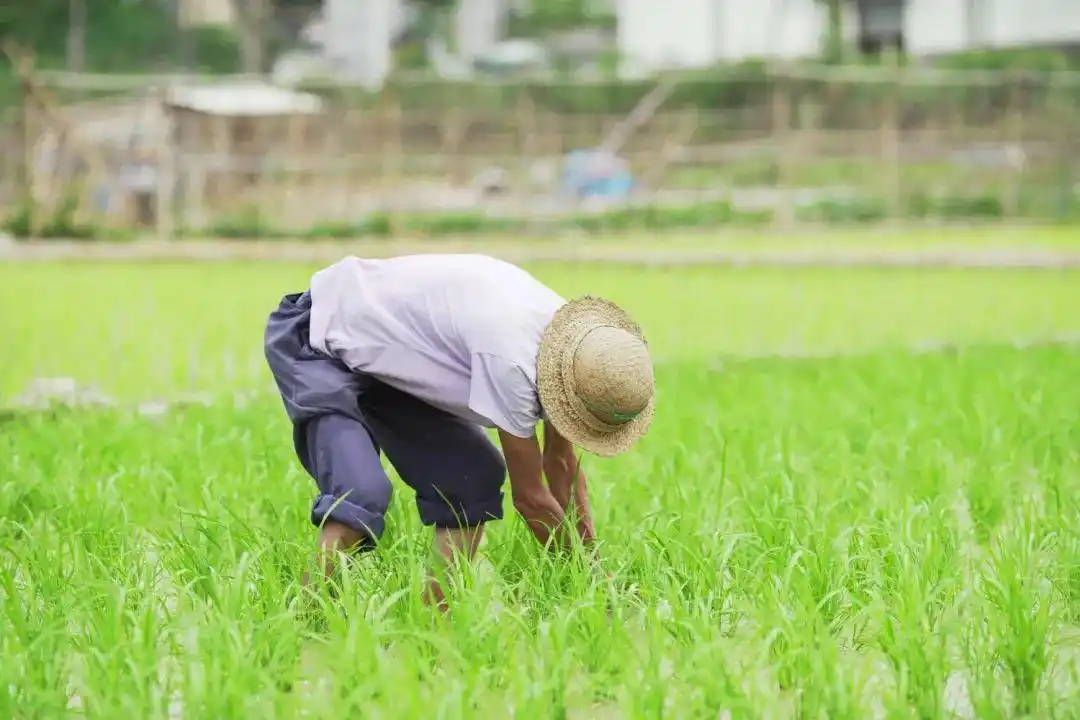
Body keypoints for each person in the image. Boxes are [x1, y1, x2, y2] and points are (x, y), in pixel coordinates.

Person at [263, 253, 655, 607]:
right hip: (319, 334)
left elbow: (562, 465)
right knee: (361, 492)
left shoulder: (577, 352)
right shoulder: (513, 361)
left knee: (472, 479)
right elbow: (531, 498)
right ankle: (307, 622)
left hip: (389, 358)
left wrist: (591, 559)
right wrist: (591, 581)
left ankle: (436, 618)